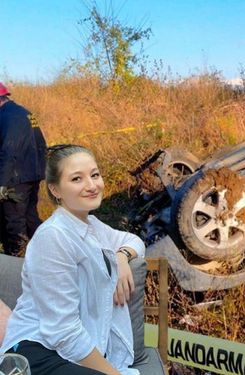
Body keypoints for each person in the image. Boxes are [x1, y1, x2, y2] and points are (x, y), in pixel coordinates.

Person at [0, 144, 145, 375]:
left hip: (71, 348)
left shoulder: (92, 225)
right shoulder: (54, 236)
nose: (91, 185)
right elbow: (63, 332)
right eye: (77, 179)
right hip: (38, 349)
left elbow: (135, 240)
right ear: (55, 189)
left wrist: (121, 257)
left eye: (95, 175)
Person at [0, 82, 47, 256]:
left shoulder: (6, 117)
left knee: (13, 220)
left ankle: (16, 258)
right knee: (30, 216)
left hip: (15, 178)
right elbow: (41, 144)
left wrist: (2, 183)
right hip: (31, 174)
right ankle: (47, 252)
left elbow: (9, 150)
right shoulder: (24, 112)